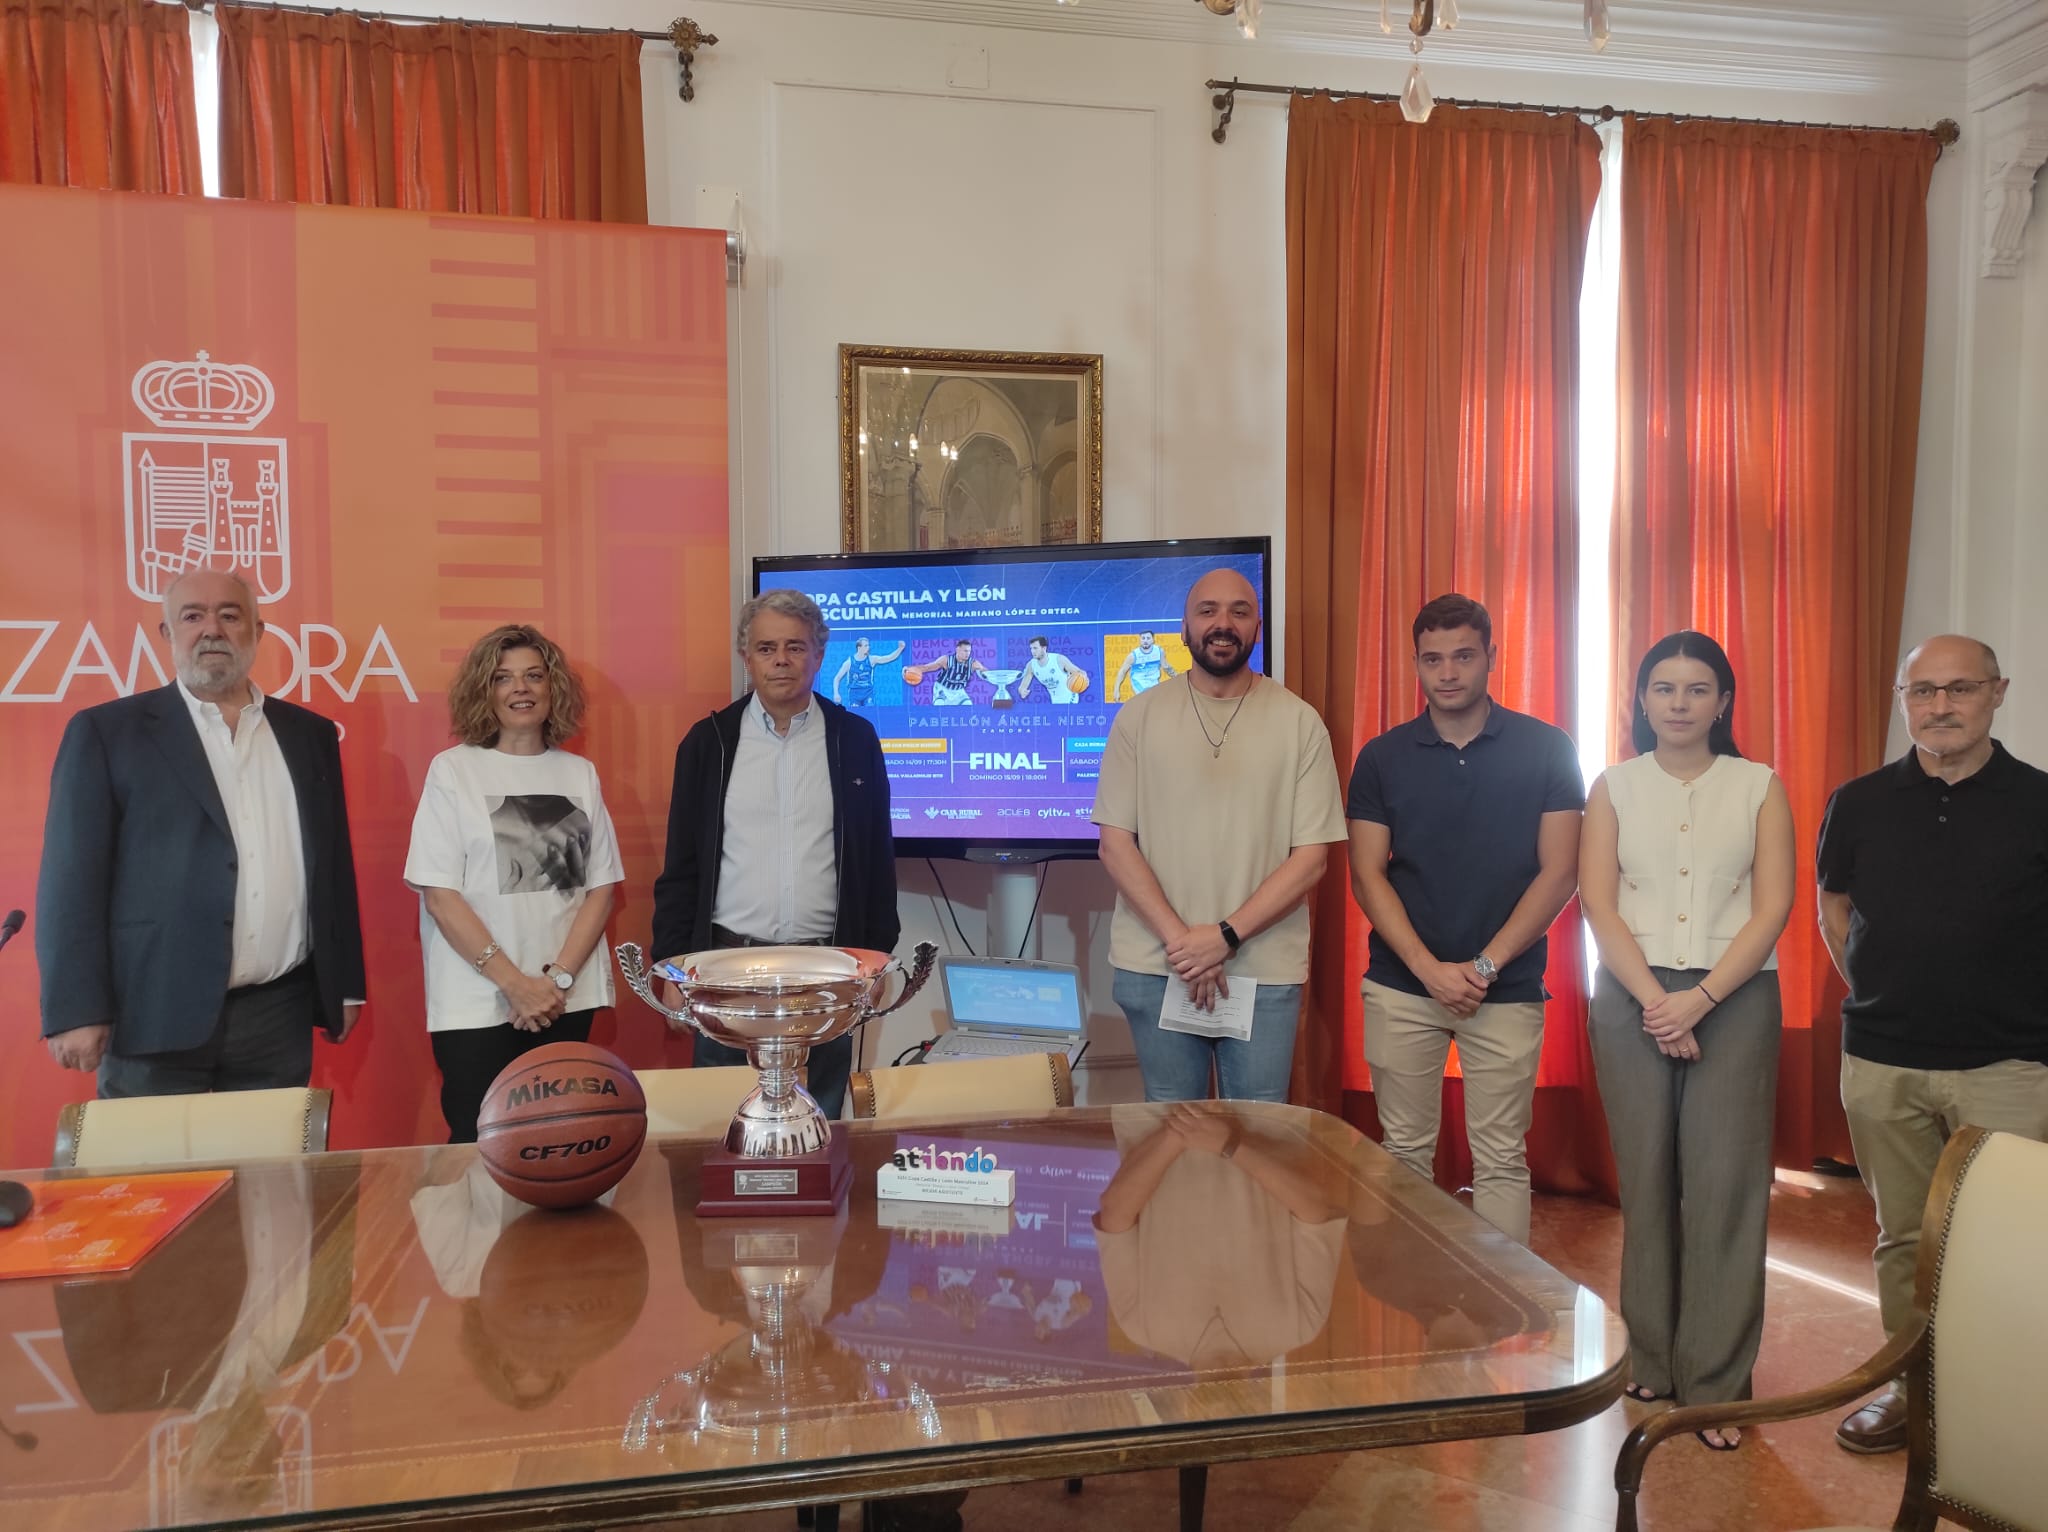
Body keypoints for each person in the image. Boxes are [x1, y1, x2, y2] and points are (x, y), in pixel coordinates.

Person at [1816, 634, 2048, 1456]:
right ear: (1901, 697)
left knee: (2006, 1241)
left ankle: (2001, 1412)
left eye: (1960, 689)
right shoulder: (1860, 801)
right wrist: (1878, 988)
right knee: (1904, 1238)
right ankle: (1910, 1394)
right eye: (1923, 692)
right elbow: (1834, 905)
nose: (1940, 707)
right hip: (1883, 1060)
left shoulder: (2039, 801)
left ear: (1998, 692)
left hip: (2008, 1065)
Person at [1580, 631, 1793, 1451]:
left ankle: (1716, 1383)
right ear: (1642, 700)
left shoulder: (1760, 786)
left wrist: (1696, 1000)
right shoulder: (1614, 787)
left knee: (1725, 1187)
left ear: (1723, 702)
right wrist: (1655, 1002)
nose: (1678, 703)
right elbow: (1600, 903)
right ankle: (1656, 1357)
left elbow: (1772, 907)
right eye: (1663, 688)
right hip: (1632, 995)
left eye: (1696, 689)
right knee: (1648, 1180)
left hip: (1733, 997)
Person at [36, 567, 366, 1095]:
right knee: (156, 1177)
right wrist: (74, 1007)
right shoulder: (106, 733)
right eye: (193, 616)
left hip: (277, 1014)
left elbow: (332, 869)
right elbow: (70, 882)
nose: (212, 629)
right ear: (168, 635)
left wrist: (345, 986)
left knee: (272, 1177)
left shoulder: (310, 735)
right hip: (153, 1012)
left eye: (230, 615)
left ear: (257, 633)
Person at [1345, 594, 1583, 1245]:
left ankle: (1502, 1331)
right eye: (1432, 659)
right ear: (1416, 665)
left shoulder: (1547, 749)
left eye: (1463, 656)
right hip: (1402, 984)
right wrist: (1429, 970)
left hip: (1505, 988)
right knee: (1403, 1154)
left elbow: (1560, 871)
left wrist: (1481, 968)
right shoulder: (1382, 757)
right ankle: (1413, 1317)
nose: (1447, 672)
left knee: (1503, 1160)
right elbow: (1367, 874)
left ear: (1490, 659)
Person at [1093, 568, 1346, 1103]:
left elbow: (1311, 860)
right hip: (1156, 964)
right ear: (1183, 628)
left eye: (1239, 610)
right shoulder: (1137, 718)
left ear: (1257, 626)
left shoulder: (1300, 723)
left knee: (1256, 1145)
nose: (1222, 623)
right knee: (1170, 1141)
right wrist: (1186, 946)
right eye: (1207, 611)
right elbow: (1116, 844)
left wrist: (1223, 938)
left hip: (1262, 969)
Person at [652, 590, 899, 1122]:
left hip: (827, 975)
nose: (780, 660)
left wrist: (874, 962)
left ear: (819, 653)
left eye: (794, 646)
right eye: (766, 648)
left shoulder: (854, 740)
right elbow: (681, 870)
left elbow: (878, 862)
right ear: (746, 657)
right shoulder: (709, 743)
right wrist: (673, 971)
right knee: (721, 1134)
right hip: (725, 973)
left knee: (820, 1131)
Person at [404, 625, 624, 1143]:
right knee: (481, 1146)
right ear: (485, 691)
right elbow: (440, 895)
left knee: (566, 1149)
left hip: (566, 999)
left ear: (554, 689)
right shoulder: (454, 772)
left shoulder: (579, 775)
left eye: (533, 675)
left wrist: (556, 983)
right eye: (503, 678)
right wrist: (515, 985)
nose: (520, 689)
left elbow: (600, 890)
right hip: (478, 1004)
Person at [832, 636, 905, 708]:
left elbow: (888, 658)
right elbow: (837, 678)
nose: (868, 647)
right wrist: (836, 693)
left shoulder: (871, 659)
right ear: (859, 648)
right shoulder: (849, 662)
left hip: (868, 693)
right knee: (856, 716)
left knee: (870, 714)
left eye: (868, 645)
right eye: (866, 646)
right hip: (854, 695)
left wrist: (900, 649)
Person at [1111, 631, 1176, 700]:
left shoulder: (1159, 652)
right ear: (1140, 640)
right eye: (1143, 638)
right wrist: (1116, 690)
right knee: (1148, 698)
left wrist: (1178, 678)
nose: (1145, 641)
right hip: (1139, 682)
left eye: (1148, 638)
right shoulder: (1133, 656)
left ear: (1153, 640)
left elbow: (1166, 666)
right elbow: (1123, 671)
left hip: (1154, 682)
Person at [1017, 635, 1081, 704]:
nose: (1032, 651)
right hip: (1055, 701)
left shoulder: (1059, 660)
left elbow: (1079, 673)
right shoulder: (1031, 665)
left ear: (1044, 648)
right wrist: (1022, 691)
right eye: (1031, 648)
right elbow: (1022, 687)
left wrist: (1080, 683)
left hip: (1071, 699)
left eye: (1035, 648)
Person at [929, 638, 987, 706]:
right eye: (965, 651)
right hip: (943, 689)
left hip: (958, 691)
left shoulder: (973, 663)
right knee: (939, 704)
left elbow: (987, 673)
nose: (967, 653)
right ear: (958, 650)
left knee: (968, 704)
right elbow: (927, 667)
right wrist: (917, 669)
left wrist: (986, 675)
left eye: (969, 651)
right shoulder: (946, 660)